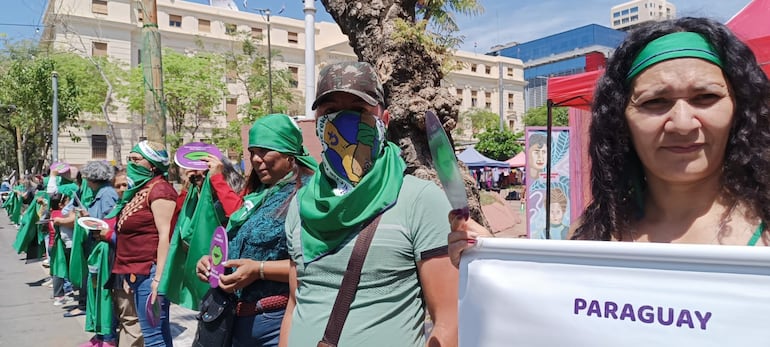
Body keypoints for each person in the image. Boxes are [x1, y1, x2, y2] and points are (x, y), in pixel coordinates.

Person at [448, 17, 770, 267]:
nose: (683, 124)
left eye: (706, 97)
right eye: (655, 102)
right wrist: (490, 263)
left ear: (740, 109)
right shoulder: (592, 236)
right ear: (621, 121)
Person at [278, 61, 458, 346]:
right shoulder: (301, 205)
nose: (343, 120)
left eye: (358, 110)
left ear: (384, 121)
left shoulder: (420, 200)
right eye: (330, 111)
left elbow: (449, 320)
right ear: (317, 124)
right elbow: (295, 303)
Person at [196, 114, 317, 347]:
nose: (256, 159)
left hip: (277, 323)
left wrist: (259, 270)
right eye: (252, 151)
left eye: (264, 151)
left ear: (289, 154)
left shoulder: (309, 194)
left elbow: (318, 263)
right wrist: (213, 263)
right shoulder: (259, 194)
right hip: (235, 320)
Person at [106, 141, 177, 346]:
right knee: (159, 334)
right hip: (139, 273)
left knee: (153, 338)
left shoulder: (160, 190)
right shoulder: (141, 189)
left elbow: (165, 236)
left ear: (152, 165)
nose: (131, 164)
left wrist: (158, 279)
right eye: (129, 159)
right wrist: (129, 274)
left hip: (152, 273)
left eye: (136, 160)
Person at [67, 160, 120, 347]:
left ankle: (108, 336)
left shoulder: (107, 194)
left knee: (103, 295)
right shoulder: (100, 193)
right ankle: (100, 335)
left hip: (103, 250)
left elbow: (109, 222)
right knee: (95, 292)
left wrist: (91, 220)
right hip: (96, 249)